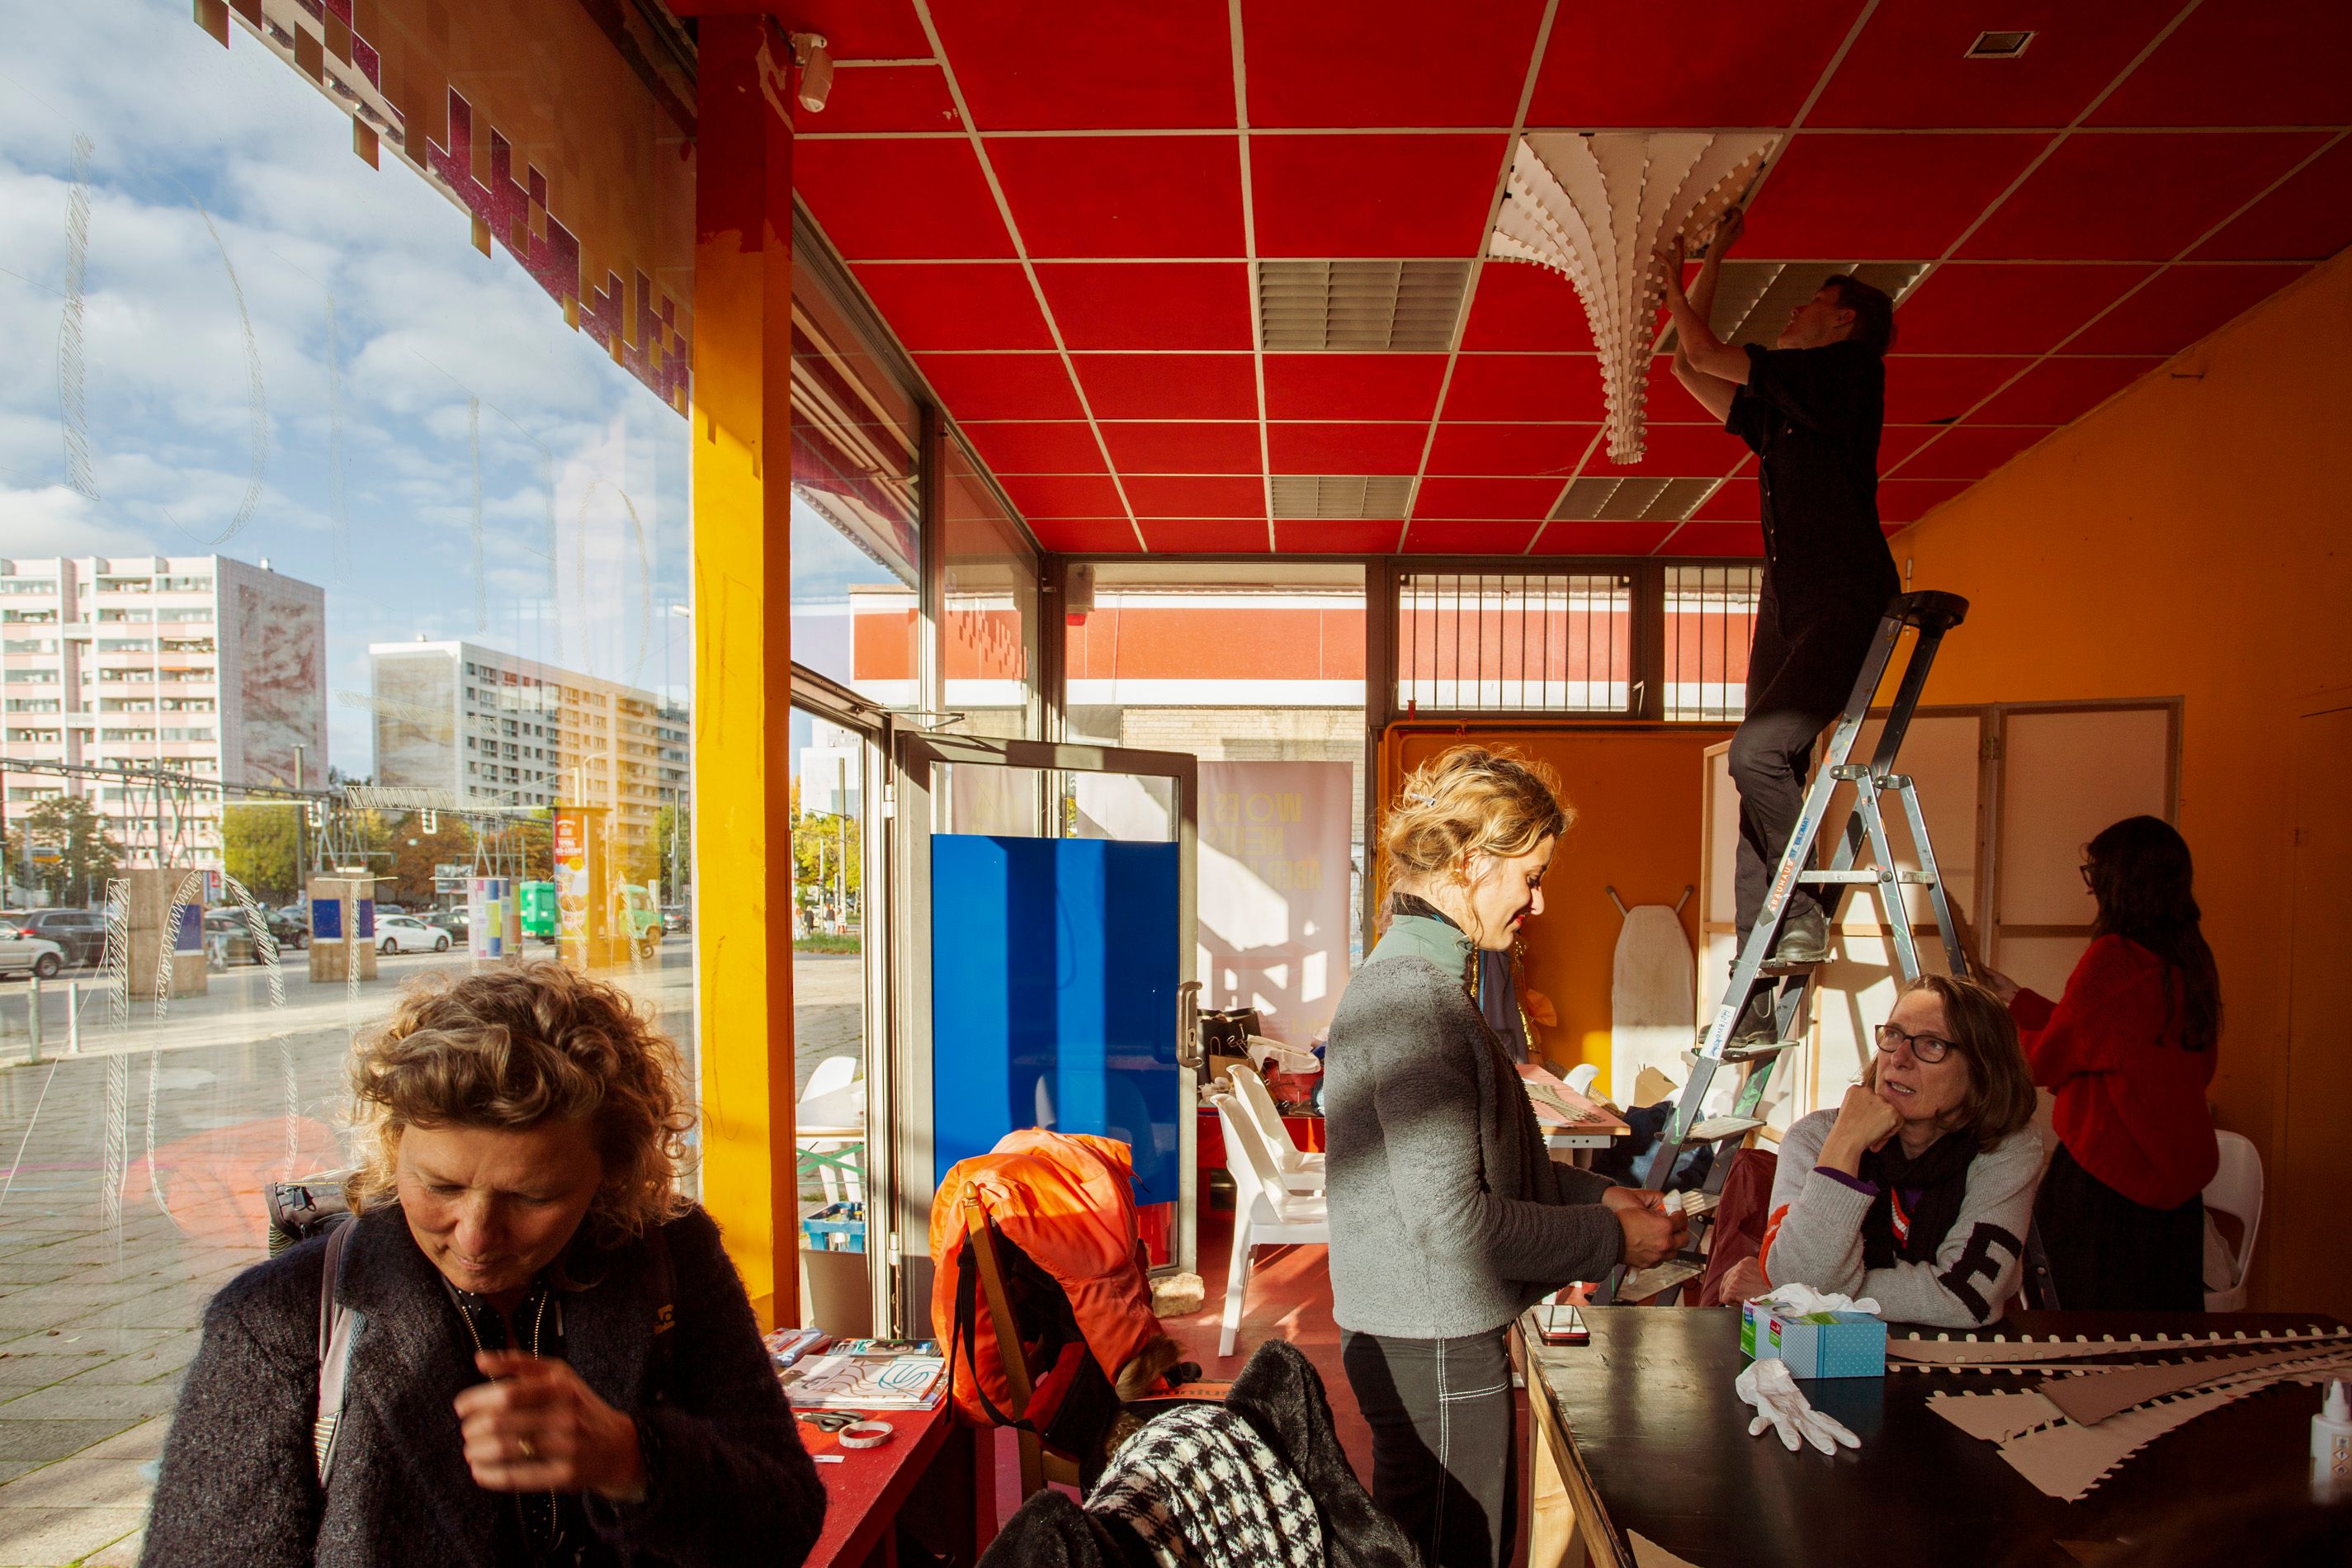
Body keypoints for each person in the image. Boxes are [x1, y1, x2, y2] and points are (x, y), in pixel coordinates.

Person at [143, 961, 826, 1567]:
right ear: (391, 1147)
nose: (476, 1236)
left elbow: (785, 1527)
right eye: (439, 1186)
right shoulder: (279, 1322)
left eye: (533, 1197)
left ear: (613, 1176)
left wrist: (634, 1460)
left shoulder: (670, 1257)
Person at [1325, 745, 1687, 1568]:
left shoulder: (1419, 984)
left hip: (1421, 1331)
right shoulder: (1416, 1002)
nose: (1537, 897)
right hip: (1434, 1336)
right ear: (1469, 862)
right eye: (1528, 874)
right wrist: (1612, 1241)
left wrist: (1599, 1201)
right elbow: (1458, 1227)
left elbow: (1487, 1173)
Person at [1660, 209, 1901, 1041]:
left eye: (1811, 303)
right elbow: (1690, 359)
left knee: (1759, 753)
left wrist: (1681, 271)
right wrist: (1704, 262)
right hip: (1792, 607)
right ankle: (1754, 991)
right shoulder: (1791, 410)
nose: (1794, 313)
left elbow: (1710, 350)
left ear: (1846, 320)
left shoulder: (1846, 374)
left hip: (1844, 598)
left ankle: (1800, 912)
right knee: (1752, 783)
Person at [1965, 816, 2222, 1311]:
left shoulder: (2114, 958)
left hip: (2108, 1183)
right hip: (2176, 1189)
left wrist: (1992, 1032)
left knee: (2081, 1328)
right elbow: (2115, 1040)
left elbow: (2047, 1060)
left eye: (2094, 874)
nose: (2090, 889)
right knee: (2157, 1336)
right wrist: (2019, 1000)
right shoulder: (2190, 957)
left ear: (2122, 881)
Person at [1719, 974, 2041, 1326]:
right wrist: (1845, 1146)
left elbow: (1967, 1299)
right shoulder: (1814, 1138)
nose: (1899, 1058)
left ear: (1983, 1070)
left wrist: (1809, 1293)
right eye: (1893, 1035)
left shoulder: (2007, 1147)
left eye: (1932, 1044)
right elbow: (1799, 1282)